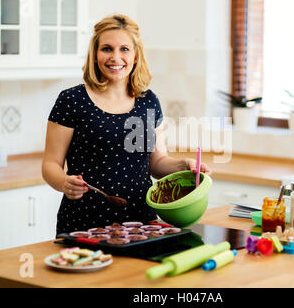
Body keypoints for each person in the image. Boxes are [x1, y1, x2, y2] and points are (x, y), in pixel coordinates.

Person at [42, 14, 212, 235]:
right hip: (84, 224)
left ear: (135, 55)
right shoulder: (72, 100)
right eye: (106, 49)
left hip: (141, 224)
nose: (115, 57)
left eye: (124, 49)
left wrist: (184, 165)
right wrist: (64, 182)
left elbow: (157, 162)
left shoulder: (148, 101)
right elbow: (50, 165)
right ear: (95, 54)